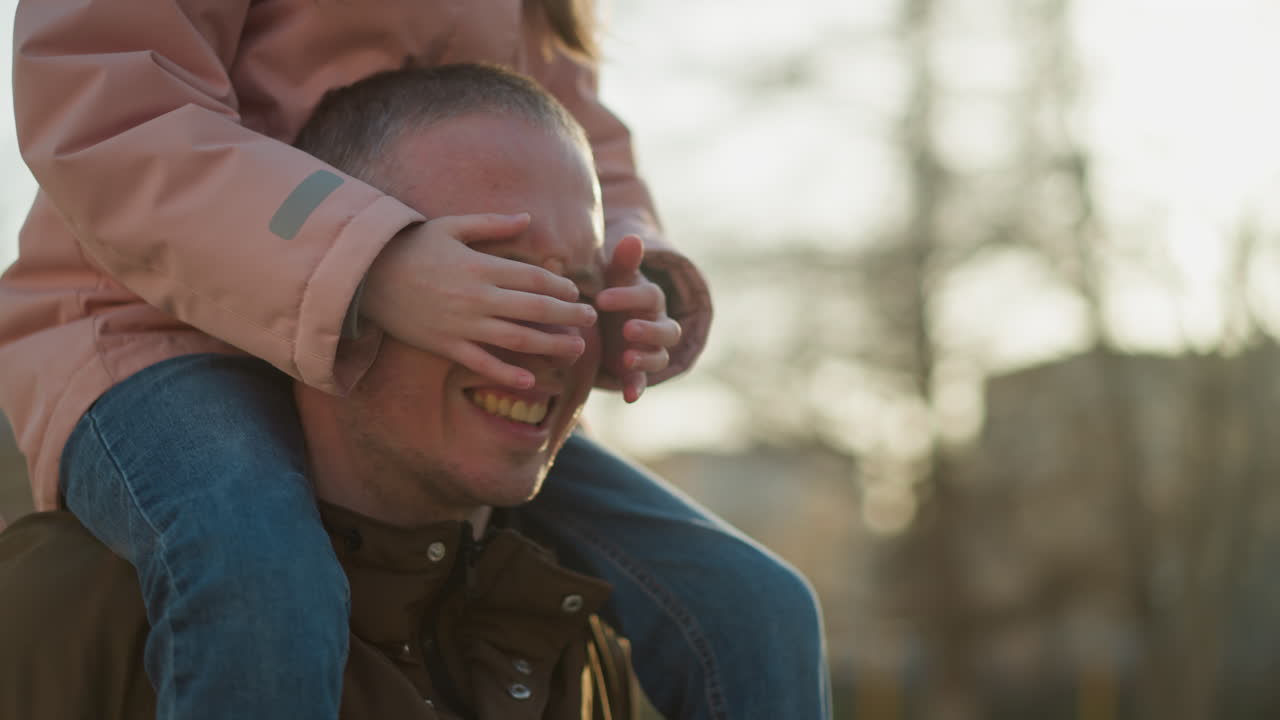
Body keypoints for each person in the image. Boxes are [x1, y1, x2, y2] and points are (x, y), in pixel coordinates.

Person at [0, 2, 830, 720]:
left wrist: (618, 270)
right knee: (261, 584)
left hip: (425, 353)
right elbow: (110, 102)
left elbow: (566, 122)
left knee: (755, 605)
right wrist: (373, 261)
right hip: (149, 325)